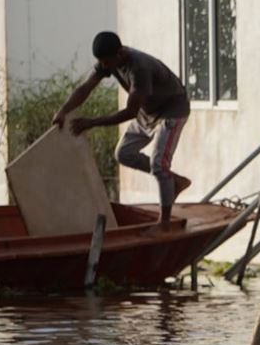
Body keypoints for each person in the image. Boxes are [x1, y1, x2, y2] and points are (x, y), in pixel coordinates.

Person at [52, 31, 191, 231]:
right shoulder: (107, 61)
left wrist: (92, 122)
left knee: (158, 163)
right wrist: (63, 111)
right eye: (102, 63)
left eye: (107, 62)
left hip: (171, 111)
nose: (105, 67)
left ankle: (164, 223)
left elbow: (130, 112)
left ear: (119, 54)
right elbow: (86, 88)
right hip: (148, 113)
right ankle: (175, 181)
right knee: (123, 154)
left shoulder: (139, 68)